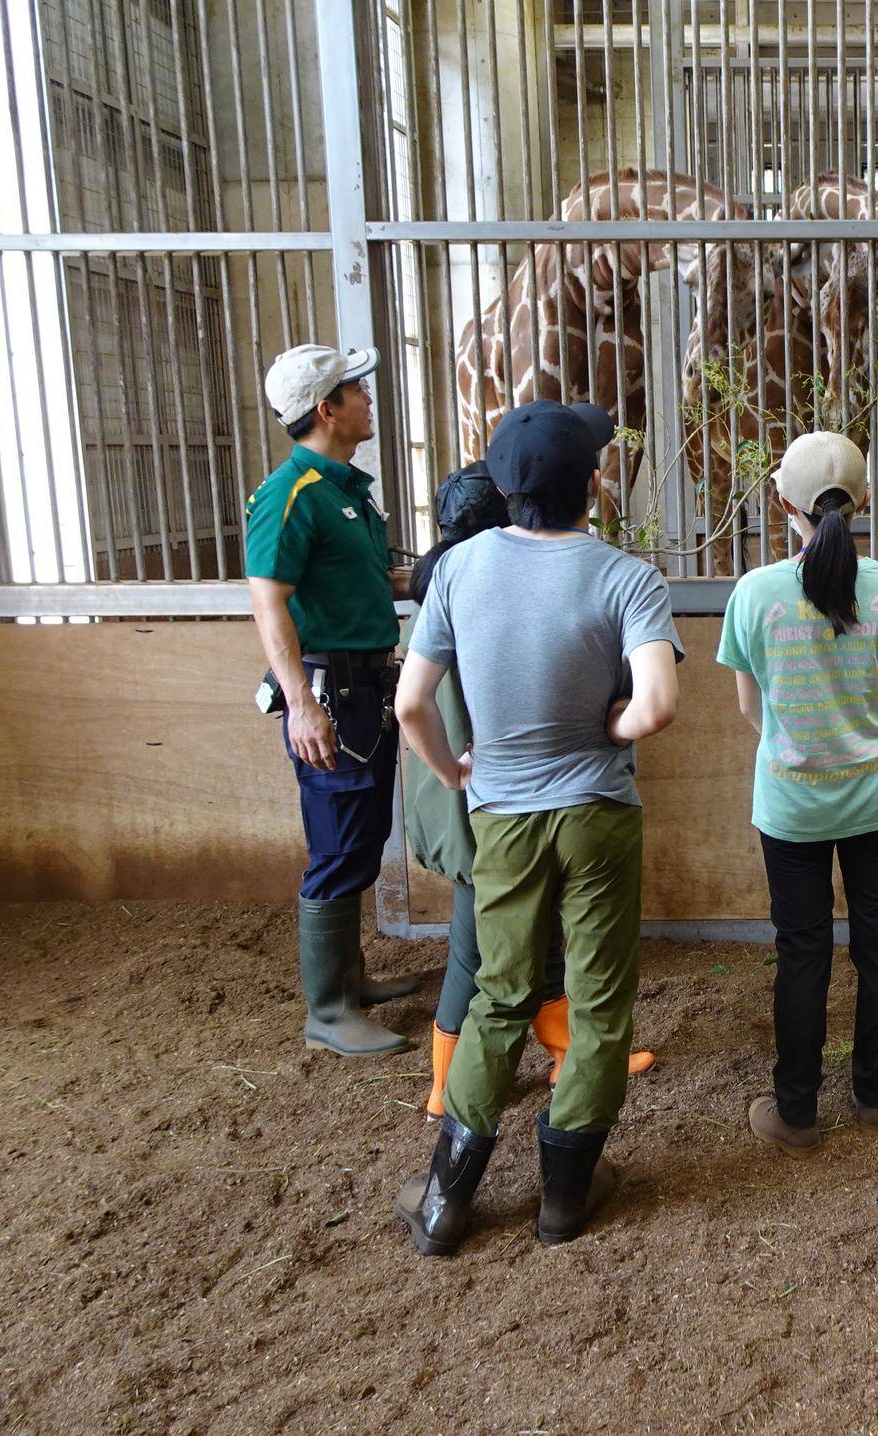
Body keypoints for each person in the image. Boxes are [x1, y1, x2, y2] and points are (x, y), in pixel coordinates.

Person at [391, 401, 682, 1256]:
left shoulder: (458, 570)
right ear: (589, 484)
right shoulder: (626, 576)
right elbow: (658, 704)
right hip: (598, 814)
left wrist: (455, 773)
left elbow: (411, 703)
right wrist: (611, 729)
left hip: (504, 817)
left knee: (501, 993)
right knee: (598, 999)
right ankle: (565, 1196)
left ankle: (446, 1202)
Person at [402, 461, 655, 1116]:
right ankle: (446, 1087)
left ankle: (562, 1045)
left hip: (482, 796)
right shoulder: (471, 591)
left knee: (530, 940)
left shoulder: (453, 583)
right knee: (479, 954)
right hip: (482, 803)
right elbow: (433, 711)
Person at [717, 431, 878, 1156]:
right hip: (875, 798)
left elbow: (754, 711)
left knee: (801, 953)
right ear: (866, 501)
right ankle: (875, 1097)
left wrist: (802, 742)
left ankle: (797, 1111)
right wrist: (855, 739)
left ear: (782, 503)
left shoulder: (754, 593)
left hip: (790, 805)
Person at [245, 343, 420, 1057]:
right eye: (358, 389)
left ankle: (350, 980)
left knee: (364, 837)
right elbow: (268, 603)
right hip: (330, 692)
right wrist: (302, 705)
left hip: (366, 685)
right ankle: (327, 1010)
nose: (369, 400)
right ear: (327, 408)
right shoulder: (290, 496)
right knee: (339, 843)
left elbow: (373, 582)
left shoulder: (347, 490)